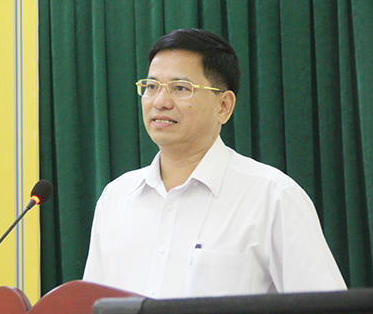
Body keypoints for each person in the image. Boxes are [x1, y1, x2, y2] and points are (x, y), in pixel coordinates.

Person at [82, 28, 346, 298]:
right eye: (151, 87)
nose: (160, 102)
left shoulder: (273, 197)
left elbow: (327, 312)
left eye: (180, 88)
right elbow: (90, 310)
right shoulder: (116, 198)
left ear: (224, 106)